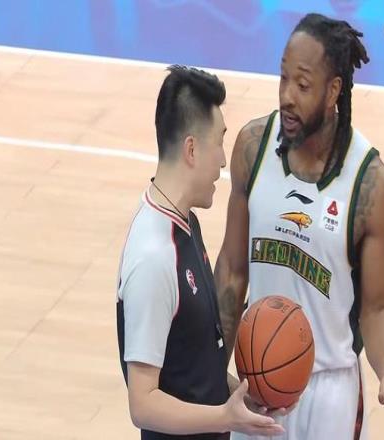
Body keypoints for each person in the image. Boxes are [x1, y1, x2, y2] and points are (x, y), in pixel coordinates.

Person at [214, 13, 384, 439]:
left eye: (302, 85)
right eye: (283, 78)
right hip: (256, 381)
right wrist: (209, 366)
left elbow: (376, 309)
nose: (287, 96)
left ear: (333, 90)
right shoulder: (252, 147)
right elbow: (232, 270)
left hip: (329, 392)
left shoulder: (371, 186)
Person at [116, 65, 284, 440]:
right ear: (191, 149)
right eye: (219, 142)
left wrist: (239, 398)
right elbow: (142, 403)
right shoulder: (153, 257)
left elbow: (192, 365)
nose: (224, 160)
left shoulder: (185, 221)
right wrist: (226, 418)